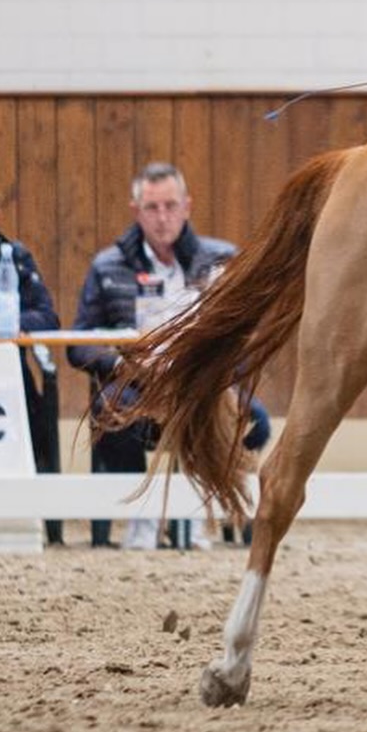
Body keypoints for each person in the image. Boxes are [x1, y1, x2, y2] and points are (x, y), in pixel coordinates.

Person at [67, 161, 269, 550]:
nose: (162, 218)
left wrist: (215, 371)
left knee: (254, 419)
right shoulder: (108, 266)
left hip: (206, 384)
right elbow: (79, 343)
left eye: (170, 206)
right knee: (112, 413)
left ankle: (204, 514)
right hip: (138, 384)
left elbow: (249, 336)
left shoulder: (222, 259)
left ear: (187, 206)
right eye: (152, 208)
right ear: (135, 210)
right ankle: (137, 518)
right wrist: (121, 366)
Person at [0, 173, 64, 546]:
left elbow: (48, 317)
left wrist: (11, 323)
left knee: (33, 414)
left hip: (3, 378)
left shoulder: (15, 258)